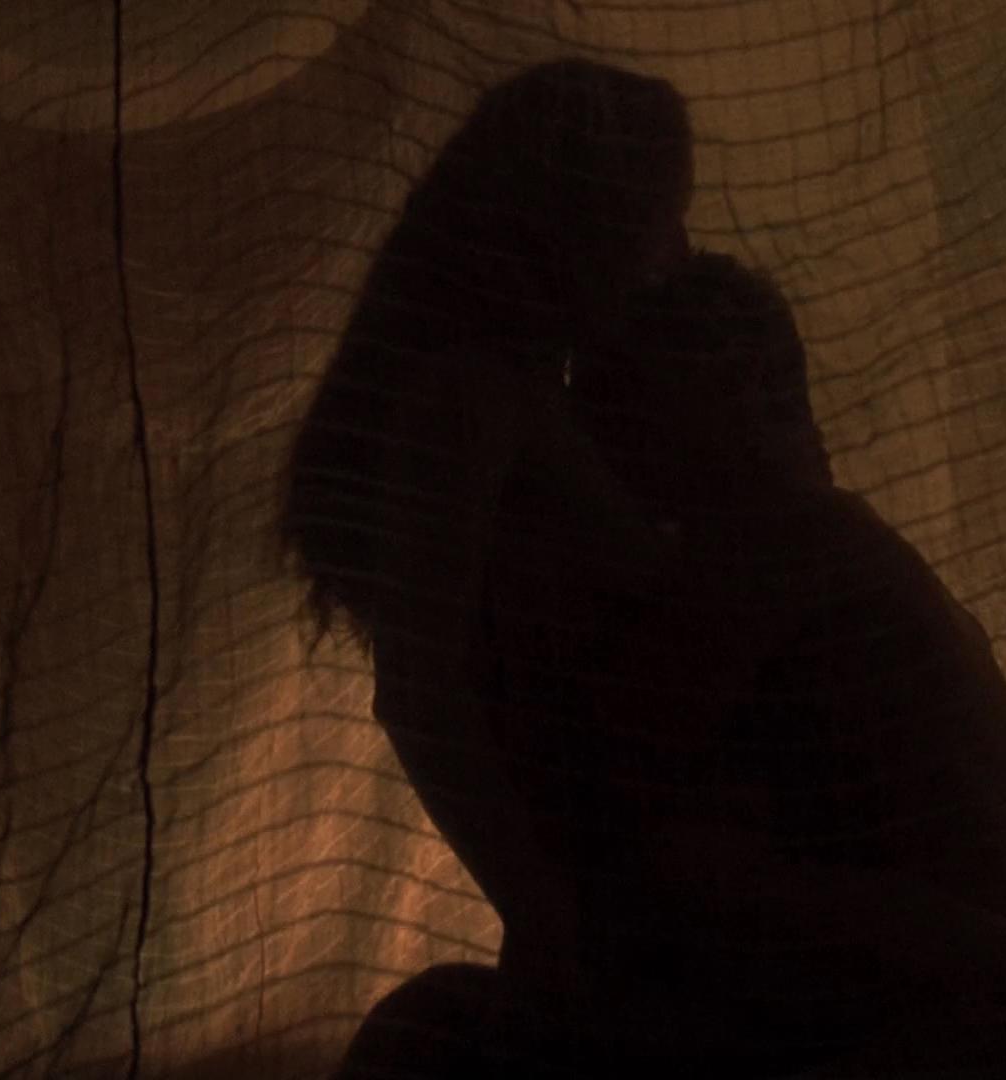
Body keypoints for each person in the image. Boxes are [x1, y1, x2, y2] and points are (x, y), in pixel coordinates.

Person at [566, 252, 1006, 1075]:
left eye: (780, 391)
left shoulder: (805, 552)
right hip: (947, 1017)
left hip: (964, 1018)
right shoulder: (804, 563)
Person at [280, 59, 696, 1078]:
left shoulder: (537, 396)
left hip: (617, 898)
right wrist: (544, 918)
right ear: (585, 223)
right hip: (590, 911)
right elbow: (419, 690)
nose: (679, 254)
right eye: (664, 221)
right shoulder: (469, 402)